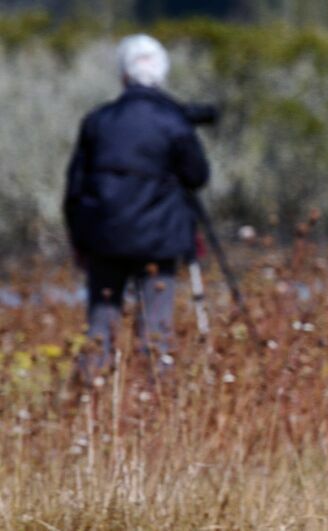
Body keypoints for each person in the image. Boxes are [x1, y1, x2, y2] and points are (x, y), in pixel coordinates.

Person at [63, 34, 209, 384]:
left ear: (123, 75)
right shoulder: (173, 122)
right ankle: (156, 406)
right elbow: (197, 176)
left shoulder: (99, 121)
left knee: (100, 326)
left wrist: (81, 239)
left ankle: (88, 402)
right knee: (156, 331)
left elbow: (74, 188)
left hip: (105, 239)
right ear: (162, 73)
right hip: (160, 242)